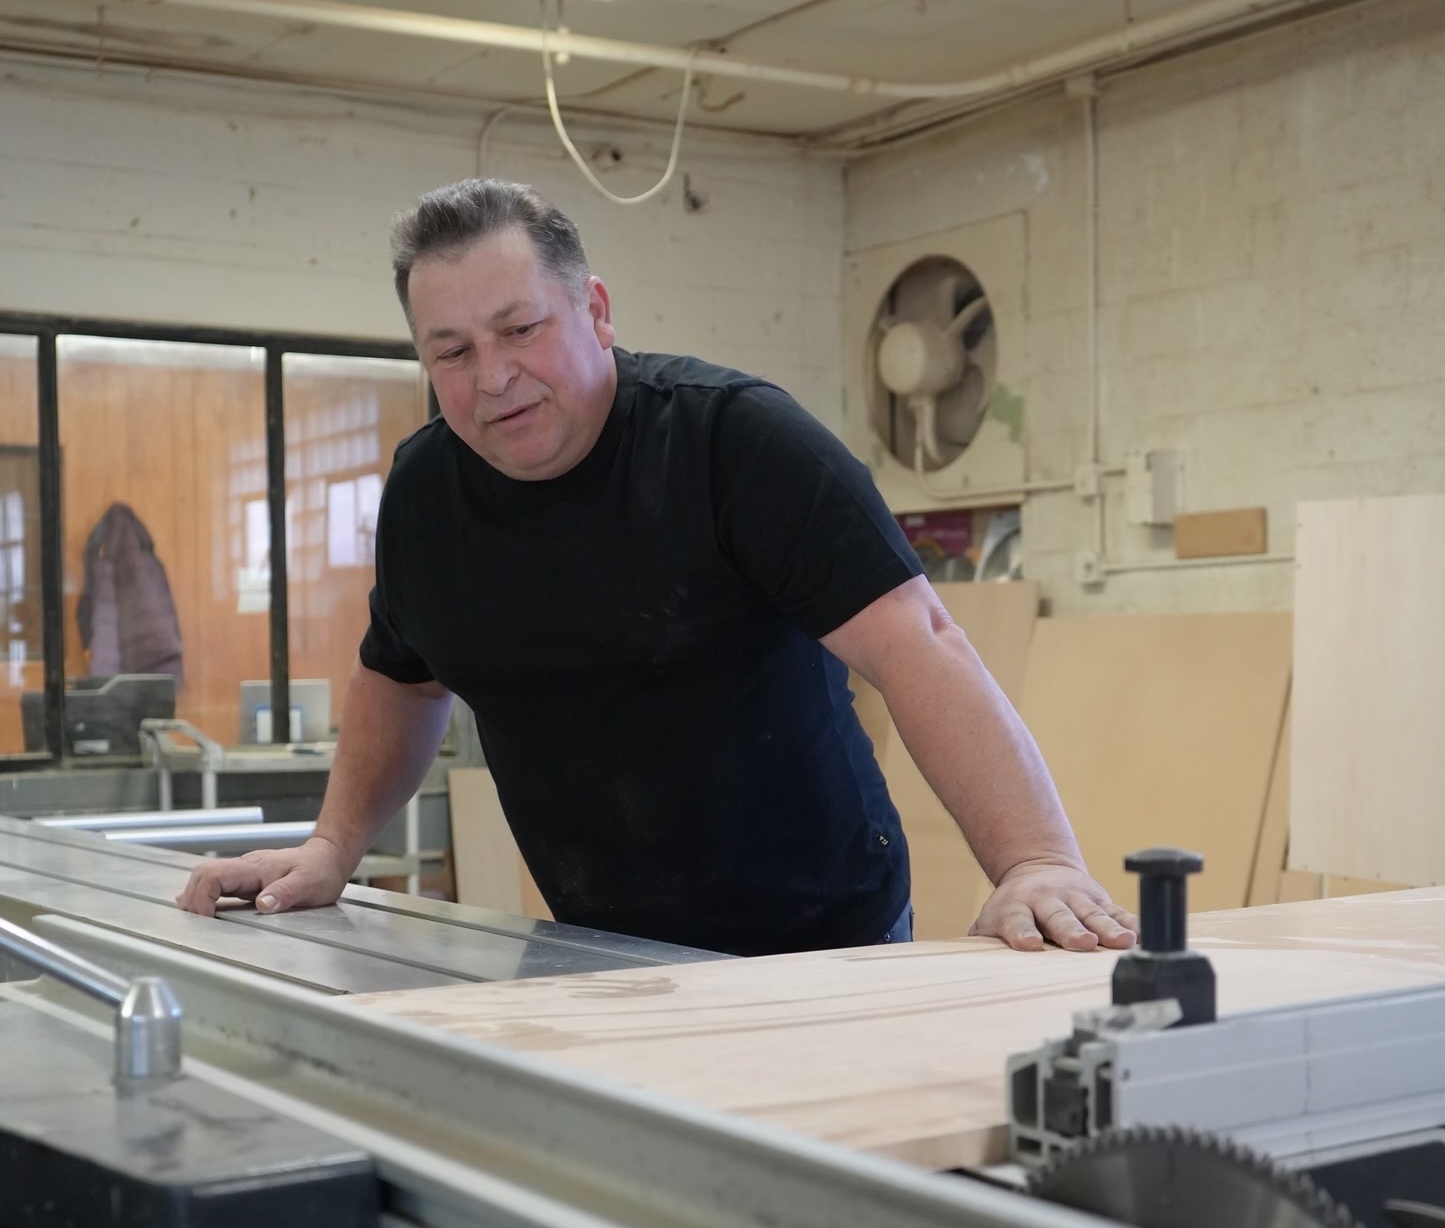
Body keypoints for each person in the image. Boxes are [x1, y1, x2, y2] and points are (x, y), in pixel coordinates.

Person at [179, 180, 1136, 958]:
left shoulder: (734, 443)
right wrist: (333, 845)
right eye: (453, 352)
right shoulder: (428, 490)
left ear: (593, 311)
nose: (494, 377)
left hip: (820, 939)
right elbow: (402, 674)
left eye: (520, 330)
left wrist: (1034, 862)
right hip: (597, 946)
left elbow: (919, 642)